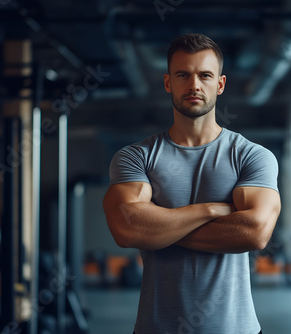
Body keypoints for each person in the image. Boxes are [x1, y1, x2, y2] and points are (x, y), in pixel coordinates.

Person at [103, 33, 281, 334]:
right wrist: (212, 210)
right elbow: (128, 228)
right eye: (183, 74)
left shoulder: (252, 156)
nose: (194, 85)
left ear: (220, 84)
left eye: (205, 75)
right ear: (168, 82)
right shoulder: (136, 157)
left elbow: (254, 233)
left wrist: (158, 228)